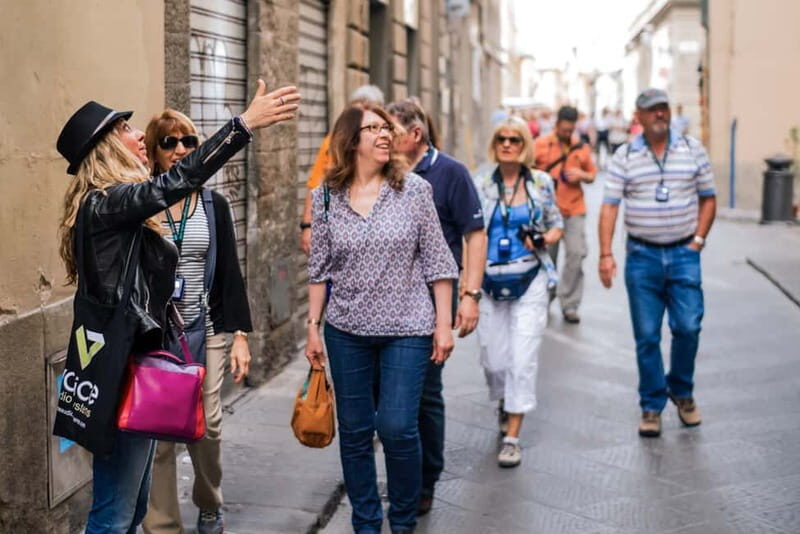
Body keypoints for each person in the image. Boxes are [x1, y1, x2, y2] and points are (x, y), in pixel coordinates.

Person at [55, 81, 300, 533]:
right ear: (106, 148)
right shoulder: (106, 203)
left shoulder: (111, 205)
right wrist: (243, 125)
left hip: (132, 360)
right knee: (113, 516)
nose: (137, 136)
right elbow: (180, 180)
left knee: (130, 510)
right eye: (125, 130)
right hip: (121, 368)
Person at [305, 104, 458, 534]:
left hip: (407, 328)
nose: (385, 134)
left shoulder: (415, 191)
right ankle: (367, 524)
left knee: (397, 426)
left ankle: (403, 522)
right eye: (373, 128)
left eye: (386, 127)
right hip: (346, 331)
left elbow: (439, 262)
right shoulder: (325, 198)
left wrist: (442, 325)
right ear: (351, 140)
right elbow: (319, 270)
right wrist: (313, 327)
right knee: (354, 433)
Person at [141, 110, 253, 534]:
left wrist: (240, 335)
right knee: (158, 431)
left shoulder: (213, 205)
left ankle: (209, 502)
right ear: (153, 151)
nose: (180, 150)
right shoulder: (144, 202)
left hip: (204, 330)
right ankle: (163, 525)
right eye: (168, 142)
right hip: (155, 335)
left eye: (188, 141)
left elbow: (229, 273)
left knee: (208, 425)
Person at [387, 99, 487, 515]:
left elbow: (475, 234)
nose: (383, 138)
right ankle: (404, 477)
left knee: (425, 393)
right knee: (390, 399)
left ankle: (424, 480)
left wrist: (470, 295)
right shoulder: (382, 172)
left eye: (391, 131)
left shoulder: (451, 173)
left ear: (415, 134)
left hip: (433, 301)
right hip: (386, 303)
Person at [598, 88, 716, 438]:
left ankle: (680, 390)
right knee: (647, 335)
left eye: (663, 108)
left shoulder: (692, 149)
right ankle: (651, 404)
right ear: (639, 117)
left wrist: (698, 240)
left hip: (684, 254)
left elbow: (709, 198)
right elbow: (609, 206)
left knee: (688, 326)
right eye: (652, 110)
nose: (660, 114)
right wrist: (606, 254)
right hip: (642, 257)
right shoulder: (625, 155)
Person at [474, 117, 563, 468]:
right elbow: (471, 233)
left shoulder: (541, 183)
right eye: (502, 138)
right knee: (493, 360)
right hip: (489, 282)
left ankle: (512, 436)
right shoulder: (481, 183)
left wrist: (542, 238)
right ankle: (504, 400)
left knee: (522, 360)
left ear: (525, 145)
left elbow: (556, 225)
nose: (507, 144)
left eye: (514, 139)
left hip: (530, 280)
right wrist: (467, 285)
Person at [299, 84, 385, 254]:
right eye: (356, 114)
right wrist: (307, 225)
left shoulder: (386, 145)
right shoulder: (332, 142)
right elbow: (316, 184)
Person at [533, 106, 597, 323]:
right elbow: (527, 170)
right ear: (556, 124)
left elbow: (592, 175)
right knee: (547, 259)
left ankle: (569, 303)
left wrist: (581, 174)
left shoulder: (580, 147)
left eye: (570, 130)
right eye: (564, 130)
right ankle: (545, 298)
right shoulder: (541, 144)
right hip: (548, 213)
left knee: (576, 255)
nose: (567, 134)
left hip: (574, 209)